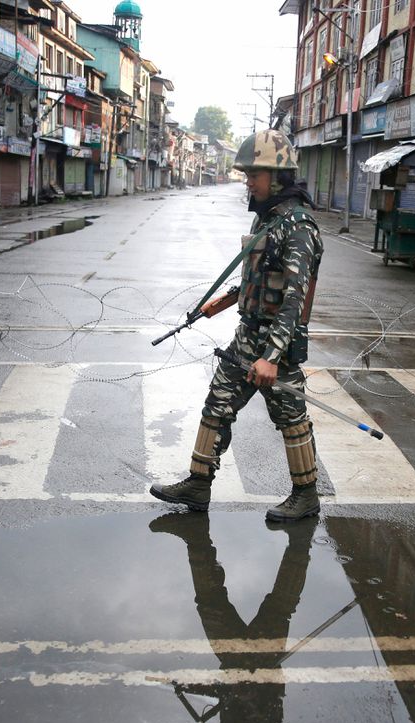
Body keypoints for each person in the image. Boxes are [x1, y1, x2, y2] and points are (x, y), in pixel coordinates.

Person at [150, 129, 324, 522]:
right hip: (247, 336)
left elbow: (294, 299)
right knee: (217, 406)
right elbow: (262, 278)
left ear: (276, 176)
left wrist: (272, 357)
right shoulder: (273, 219)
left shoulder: (298, 225)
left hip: (277, 345)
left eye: (254, 174)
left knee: (291, 420)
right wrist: (226, 300)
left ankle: (306, 495)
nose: (248, 181)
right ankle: (198, 484)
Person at [149, 513, 314, 723]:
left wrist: (191, 686)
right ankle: (300, 544)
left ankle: (196, 540)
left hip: (237, 669)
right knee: (277, 605)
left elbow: (229, 703)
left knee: (212, 603)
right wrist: (242, 695)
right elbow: (265, 720)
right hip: (259, 669)